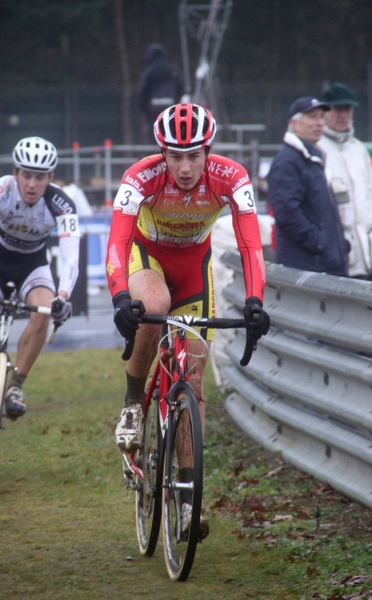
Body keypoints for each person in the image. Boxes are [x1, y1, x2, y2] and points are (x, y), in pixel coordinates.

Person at [106, 103, 270, 531]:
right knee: (154, 308)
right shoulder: (140, 176)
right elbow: (118, 239)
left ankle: (185, 497)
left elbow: (251, 246)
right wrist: (121, 296)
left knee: (193, 382)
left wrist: (255, 301)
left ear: (208, 151)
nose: (184, 167)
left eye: (193, 156)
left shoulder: (231, 177)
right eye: (175, 156)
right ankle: (132, 399)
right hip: (148, 260)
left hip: (195, 269)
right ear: (162, 153)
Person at [0, 136, 81, 418]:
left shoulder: (62, 203)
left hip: (32, 266)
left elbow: (70, 255)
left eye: (40, 177)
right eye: (27, 175)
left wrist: (64, 296)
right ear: (15, 173)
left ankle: (16, 385)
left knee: (44, 312)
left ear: (50, 178)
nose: (32, 184)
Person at [267, 96, 349, 276]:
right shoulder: (287, 162)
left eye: (321, 117)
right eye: (312, 117)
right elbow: (287, 213)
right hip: (309, 269)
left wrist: (340, 245)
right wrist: (320, 243)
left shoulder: (312, 158)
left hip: (326, 266)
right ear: (294, 124)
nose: (320, 123)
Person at [318, 83, 372, 279]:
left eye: (347, 109)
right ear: (324, 112)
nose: (342, 115)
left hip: (367, 254)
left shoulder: (358, 149)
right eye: (337, 109)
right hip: (339, 257)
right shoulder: (318, 149)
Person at [138, 43, 183, 143]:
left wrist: (146, 110)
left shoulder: (149, 72)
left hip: (153, 109)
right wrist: (176, 103)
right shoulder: (172, 70)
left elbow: (143, 93)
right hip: (172, 107)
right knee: (172, 136)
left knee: (154, 136)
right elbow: (180, 88)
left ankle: (157, 155)